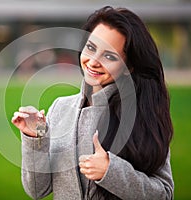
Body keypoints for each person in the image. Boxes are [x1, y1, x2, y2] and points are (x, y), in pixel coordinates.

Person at [11, 6, 174, 200]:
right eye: (91, 47)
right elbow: (37, 190)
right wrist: (35, 138)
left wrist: (110, 171)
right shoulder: (60, 107)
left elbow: (165, 194)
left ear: (128, 67)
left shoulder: (141, 114)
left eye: (109, 56)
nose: (93, 62)